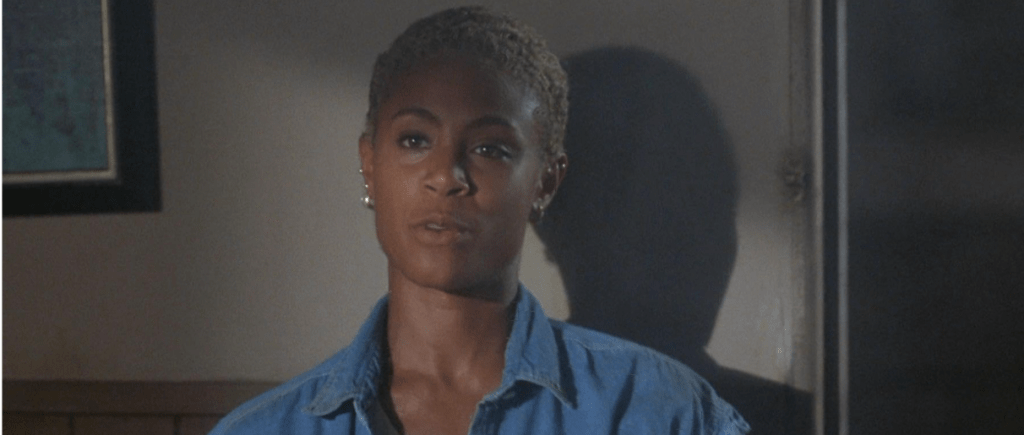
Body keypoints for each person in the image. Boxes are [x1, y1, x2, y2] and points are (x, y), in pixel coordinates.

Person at [209, 6, 749, 435]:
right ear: (370, 165)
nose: (447, 175)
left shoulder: (659, 411)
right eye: (415, 140)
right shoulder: (266, 428)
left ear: (546, 183)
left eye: (490, 148)